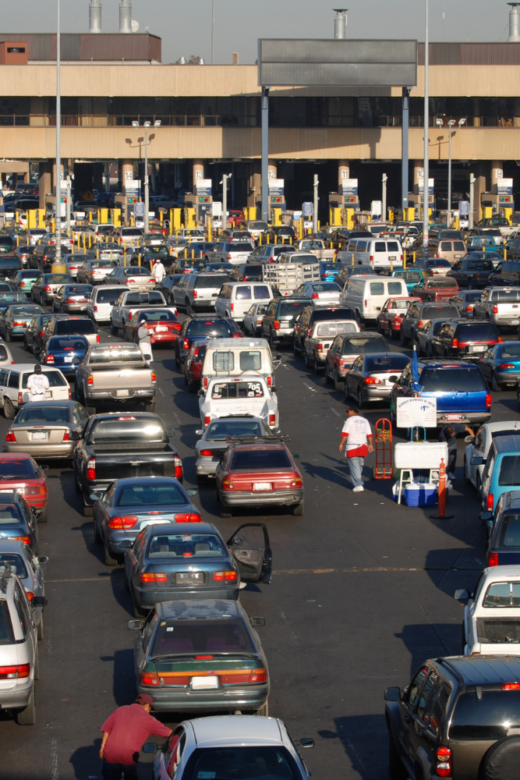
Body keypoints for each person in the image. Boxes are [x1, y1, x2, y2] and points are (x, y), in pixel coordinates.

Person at [99, 694, 172, 780]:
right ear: (148, 705)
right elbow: (170, 733)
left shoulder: (121, 709)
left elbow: (107, 728)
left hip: (110, 753)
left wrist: (102, 746)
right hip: (128, 757)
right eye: (150, 709)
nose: (149, 711)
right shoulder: (149, 719)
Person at [338, 406, 373, 492]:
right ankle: (356, 479)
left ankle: (358, 484)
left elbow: (345, 433)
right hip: (363, 446)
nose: (347, 414)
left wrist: (341, 444)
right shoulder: (365, 420)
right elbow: (369, 434)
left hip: (352, 446)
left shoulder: (349, 420)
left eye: (348, 412)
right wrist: (371, 444)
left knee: (354, 466)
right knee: (360, 464)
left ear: (352, 411)